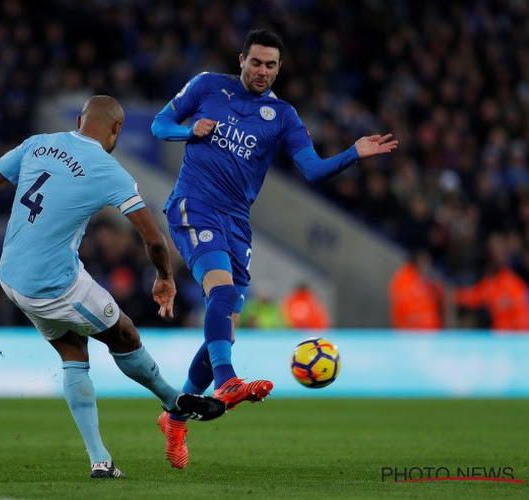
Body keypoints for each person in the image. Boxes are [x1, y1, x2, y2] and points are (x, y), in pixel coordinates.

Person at [0, 95, 226, 479]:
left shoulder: (37, 143)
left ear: (78, 120)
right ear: (117, 129)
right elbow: (153, 239)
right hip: (55, 284)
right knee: (123, 333)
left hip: (10, 278)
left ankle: (100, 460)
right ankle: (173, 401)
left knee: (73, 351)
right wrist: (166, 278)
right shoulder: (109, 170)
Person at [151, 28, 398, 468]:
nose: (262, 71)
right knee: (221, 295)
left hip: (237, 225)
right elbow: (158, 124)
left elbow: (314, 171)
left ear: (279, 68)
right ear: (241, 58)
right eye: (256, 62)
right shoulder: (208, 85)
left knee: (224, 327)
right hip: (194, 205)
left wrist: (352, 154)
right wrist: (189, 131)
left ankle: (174, 417)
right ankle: (227, 383)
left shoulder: (283, 116)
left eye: (271, 65)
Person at [454, 233, 529, 331]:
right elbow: (470, 297)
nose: (499, 255)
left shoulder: (515, 282)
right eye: (495, 251)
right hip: (497, 341)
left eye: (502, 251)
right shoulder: (488, 284)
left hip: (518, 339)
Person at [389, 249, 444, 330]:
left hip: (429, 330)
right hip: (411, 331)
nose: (427, 265)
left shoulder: (428, 279)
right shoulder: (404, 278)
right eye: (424, 261)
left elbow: (437, 300)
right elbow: (403, 304)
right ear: (417, 261)